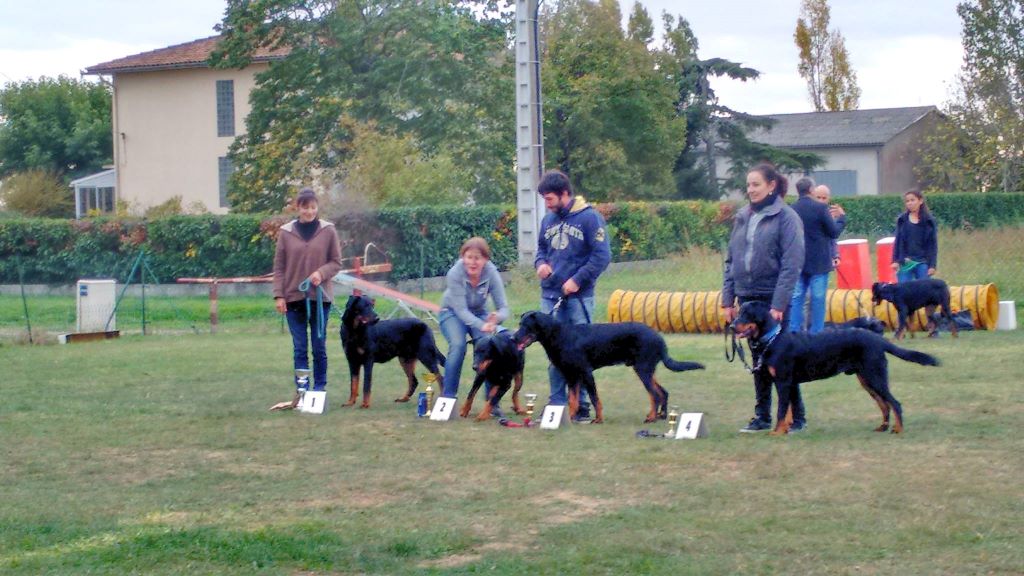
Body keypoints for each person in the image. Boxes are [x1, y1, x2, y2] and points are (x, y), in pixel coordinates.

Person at [721, 163, 806, 433]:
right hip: (747, 298)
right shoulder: (742, 216)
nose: (751, 190)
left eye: (756, 184)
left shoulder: (787, 217)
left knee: (783, 362)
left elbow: (792, 264)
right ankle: (762, 416)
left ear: (771, 186)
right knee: (758, 364)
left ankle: (796, 418)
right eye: (748, 185)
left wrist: (779, 304)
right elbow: (731, 261)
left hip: (773, 299)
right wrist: (727, 299)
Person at [534, 169, 611, 420]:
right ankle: (557, 403)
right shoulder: (548, 220)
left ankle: (583, 405)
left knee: (581, 355)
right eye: (545, 199)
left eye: (550, 198)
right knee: (554, 353)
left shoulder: (590, 218)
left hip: (579, 298)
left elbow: (602, 256)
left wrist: (577, 280)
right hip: (550, 296)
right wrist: (540, 265)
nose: (547, 204)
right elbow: (541, 251)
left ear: (564, 193)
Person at [272, 188, 343, 406]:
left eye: (313, 207)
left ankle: (319, 390)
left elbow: (336, 262)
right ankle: (302, 391)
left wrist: (320, 274)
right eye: (305, 207)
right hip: (293, 298)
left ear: (317, 207)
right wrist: (279, 296)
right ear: (298, 208)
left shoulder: (328, 230)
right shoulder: (286, 233)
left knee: (319, 346)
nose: (309, 211)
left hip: (320, 298)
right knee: (300, 347)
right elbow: (279, 267)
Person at [439, 237, 510, 403]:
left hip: (479, 313)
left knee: (490, 344)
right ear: (463, 257)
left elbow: (504, 308)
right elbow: (461, 311)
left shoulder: (492, 273)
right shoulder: (454, 274)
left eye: (477, 258)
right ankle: (448, 398)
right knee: (458, 345)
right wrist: (482, 325)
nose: (472, 262)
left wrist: (496, 318)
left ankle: (491, 401)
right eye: (469, 257)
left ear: (485, 259)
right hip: (451, 312)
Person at [789, 180, 845, 334]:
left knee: (797, 297)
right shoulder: (820, 209)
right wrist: (841, 219)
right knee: (818, 298)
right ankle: (816, 333)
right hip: (819, 262)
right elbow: (833, 232)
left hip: (798, 261)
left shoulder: (791, 209)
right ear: (811, 190)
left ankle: (794, 331)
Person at [891, 189, 938, 283]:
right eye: (907, 201)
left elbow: (932, 245)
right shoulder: (902, 220)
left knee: (924, 290)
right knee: (903, 289)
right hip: (906, 261)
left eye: (912, 200)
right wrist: (895, 260)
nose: (910, 203)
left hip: (922, 262)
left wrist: (932, 266)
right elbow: (898, 241)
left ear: (920, 201)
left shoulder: (929, 221)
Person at [812, 184, 842, 270]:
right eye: (818, 197)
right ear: (813, 197)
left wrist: (835, 256)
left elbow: (832, 238)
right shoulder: (808, 213)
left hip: (823, 260)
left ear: (828, 199)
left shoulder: (829, 216)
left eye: (824, 198)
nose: (821, 201)